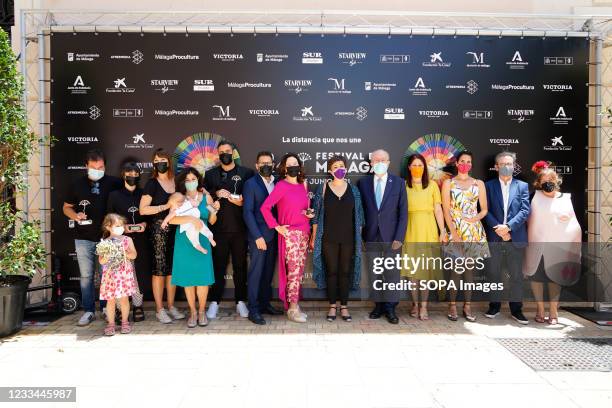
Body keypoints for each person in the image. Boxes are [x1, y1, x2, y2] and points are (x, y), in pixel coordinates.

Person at [62, 149, 122, 326]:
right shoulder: (76, 184)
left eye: (101, 167)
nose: (98, 170)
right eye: (94, 167)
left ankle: (105, 308)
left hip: (106, 238)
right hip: (83, 238)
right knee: (86, 276)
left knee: (106, 275)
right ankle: (88, 310)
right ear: (86, 166)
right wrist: (76, 216)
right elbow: (66, 207)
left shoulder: (113, 183)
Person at [524, 162, 581, 326]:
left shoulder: (567, 198)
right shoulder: (532, 196)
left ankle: (554, 311)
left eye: (551, 179)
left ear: (557, 180)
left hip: (558, 247)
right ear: (539, 182)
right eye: (544, 179)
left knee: (555, 279)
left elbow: (575, 224)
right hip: (536, 245)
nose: (547, 182)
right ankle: (540, 309)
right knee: (536, 277)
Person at [310, 155, 365, 322]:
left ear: (346, 169)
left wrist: (359, 237)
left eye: (342, 165)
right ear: (330, 171)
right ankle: (333, 306)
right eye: (335, 166)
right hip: (328, 239)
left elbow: (360, 217)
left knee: (345, 272)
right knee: (332, 272)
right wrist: (313, 237)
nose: (339, 169)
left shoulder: (354, 190)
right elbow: (316, 216)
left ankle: (345, 307)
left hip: (349, 239)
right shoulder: (323, 189)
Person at [204, 140, 255, 319]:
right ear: (218, 154)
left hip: (240, 229)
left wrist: (241, 201)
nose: (225, 154)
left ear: (233, 153)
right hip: (218, 229)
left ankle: (241, 301)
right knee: (218, 267)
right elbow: (204, 198)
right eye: (221, 152)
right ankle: (214, 302)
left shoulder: (247, 173)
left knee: (240, 267)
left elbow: (252, 199)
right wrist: (214, 194)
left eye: (228, 151)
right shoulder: (210, 175)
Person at [260, 153, 313, 323]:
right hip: (290, 235)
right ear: (284, 168)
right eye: (289, 164)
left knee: (299, 271)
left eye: (295, 163)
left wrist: (308, 214)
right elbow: (265, 208)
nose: (293, 166)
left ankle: (295, 305)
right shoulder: (281, 186)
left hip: (304, 232)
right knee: (293, 272)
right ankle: (292, 308)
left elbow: (304, 208)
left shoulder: (303, 184)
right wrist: (276, 226)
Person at [357, 149, 407, 324]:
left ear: (388, 162)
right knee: (374, 273)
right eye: (376, 160)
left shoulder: (399, 183)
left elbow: (403, 213)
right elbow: (360, 211)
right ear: (371, 163)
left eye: (383, 160)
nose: (379, 162)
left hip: (392, 237)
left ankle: (391, 308)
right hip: (370, 236)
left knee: (392, 274)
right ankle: (378, 305)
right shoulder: (362, 183)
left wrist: (399, 237)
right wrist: (361, 236)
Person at [167, 168, 218, 328]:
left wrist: (215, 210)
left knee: (202, 279)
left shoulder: (206, 196)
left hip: (202, 239)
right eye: (187, 180)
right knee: (188, 279)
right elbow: (172, 220)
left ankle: (202, 311)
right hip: (184, 240)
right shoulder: (179, 198)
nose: (190, 182)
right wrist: (190, 218)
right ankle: (193, 312)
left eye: (193, 179)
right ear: (182, 182)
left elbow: (213, 221)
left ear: (198, 180)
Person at [441, 150, 489, 322]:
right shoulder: (449, 183)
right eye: (462, 161)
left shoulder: (479, 183)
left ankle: (467, 306)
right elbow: (446, 209)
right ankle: (452, 305)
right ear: (456, 163)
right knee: (456, 270)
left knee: (470, 271)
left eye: (469, 161)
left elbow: (484, 209)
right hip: (455, 230)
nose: (465, 164)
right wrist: (453, 233)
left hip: (474, 231)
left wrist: (474, 218)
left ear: (471, 164)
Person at [483, 151, 530, 324]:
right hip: (495, 236)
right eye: (502, 164)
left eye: (509, 164)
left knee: (516, 275)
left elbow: (525, 211)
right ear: (496, 167)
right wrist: (499, 229)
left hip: (514, 236)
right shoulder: (488, 186)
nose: (506, 167)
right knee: (493, 273)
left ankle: (516, 310)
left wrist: (509, 227)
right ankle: (494, 306)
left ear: (514, 166)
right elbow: (484, 210)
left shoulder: (522, 186)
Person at [139, 149, 185, 324]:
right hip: (159, 230)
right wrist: (165, 206)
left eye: (163, 159)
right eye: (157, 160)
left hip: (177, 229)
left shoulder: (177, 181)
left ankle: (171, 306)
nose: (160, 163)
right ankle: (159, 309)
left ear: (169, 162)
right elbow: (143, 209)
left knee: (172, 271)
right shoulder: (152, 183)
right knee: (159, 271)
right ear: (153, 163)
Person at [401, 154, 447, 321]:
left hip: (429, 229)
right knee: (413, 271)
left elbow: (438, 210)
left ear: (425, 168)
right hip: (410, 229)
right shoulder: (403, 185)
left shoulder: (433, 185)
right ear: (409, 167)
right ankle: (414, 304)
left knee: (426, 271)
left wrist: (442, 231)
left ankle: (424, 306)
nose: (417, 168)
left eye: (420, 165)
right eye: (414, 165)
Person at [242, 151, 284, 325]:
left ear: (273, 165)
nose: (266, 165)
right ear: (257, 165)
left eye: (269, 162)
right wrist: (257, 236)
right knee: (256, 274)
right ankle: (253, 309)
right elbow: (248, 212)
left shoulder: (278, 183)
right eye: (262, 163)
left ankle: (265, 304)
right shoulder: (250, 184)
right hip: (258, 236)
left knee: (267, 273)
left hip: (274, 235)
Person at [107, 162, 149, 322]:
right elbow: (109, 218)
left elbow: (149, 217)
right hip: (119, 240)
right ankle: (119, 308)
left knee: (139, 274)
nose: (132, 176)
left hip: (141, 240)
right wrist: (122, 227)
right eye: (129, 173)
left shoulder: (144, 194)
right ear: (123, 175)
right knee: (120, 274)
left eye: (135, 174)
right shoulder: (114, 195)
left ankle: (138, 306)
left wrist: (145, 224)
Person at [96, 213, 138, 336]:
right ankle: (111, 324)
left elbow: (134, 255)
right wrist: (108, 254)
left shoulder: (127, 240)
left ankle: (125, 322)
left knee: (124, 299)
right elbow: (101, 260)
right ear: (108, 227)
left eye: (121, 225)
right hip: (110, 275)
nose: (120, 227)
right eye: (117, 225)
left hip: (123, 275)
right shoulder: (105, 242)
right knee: (110, 300)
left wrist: (125, 251)